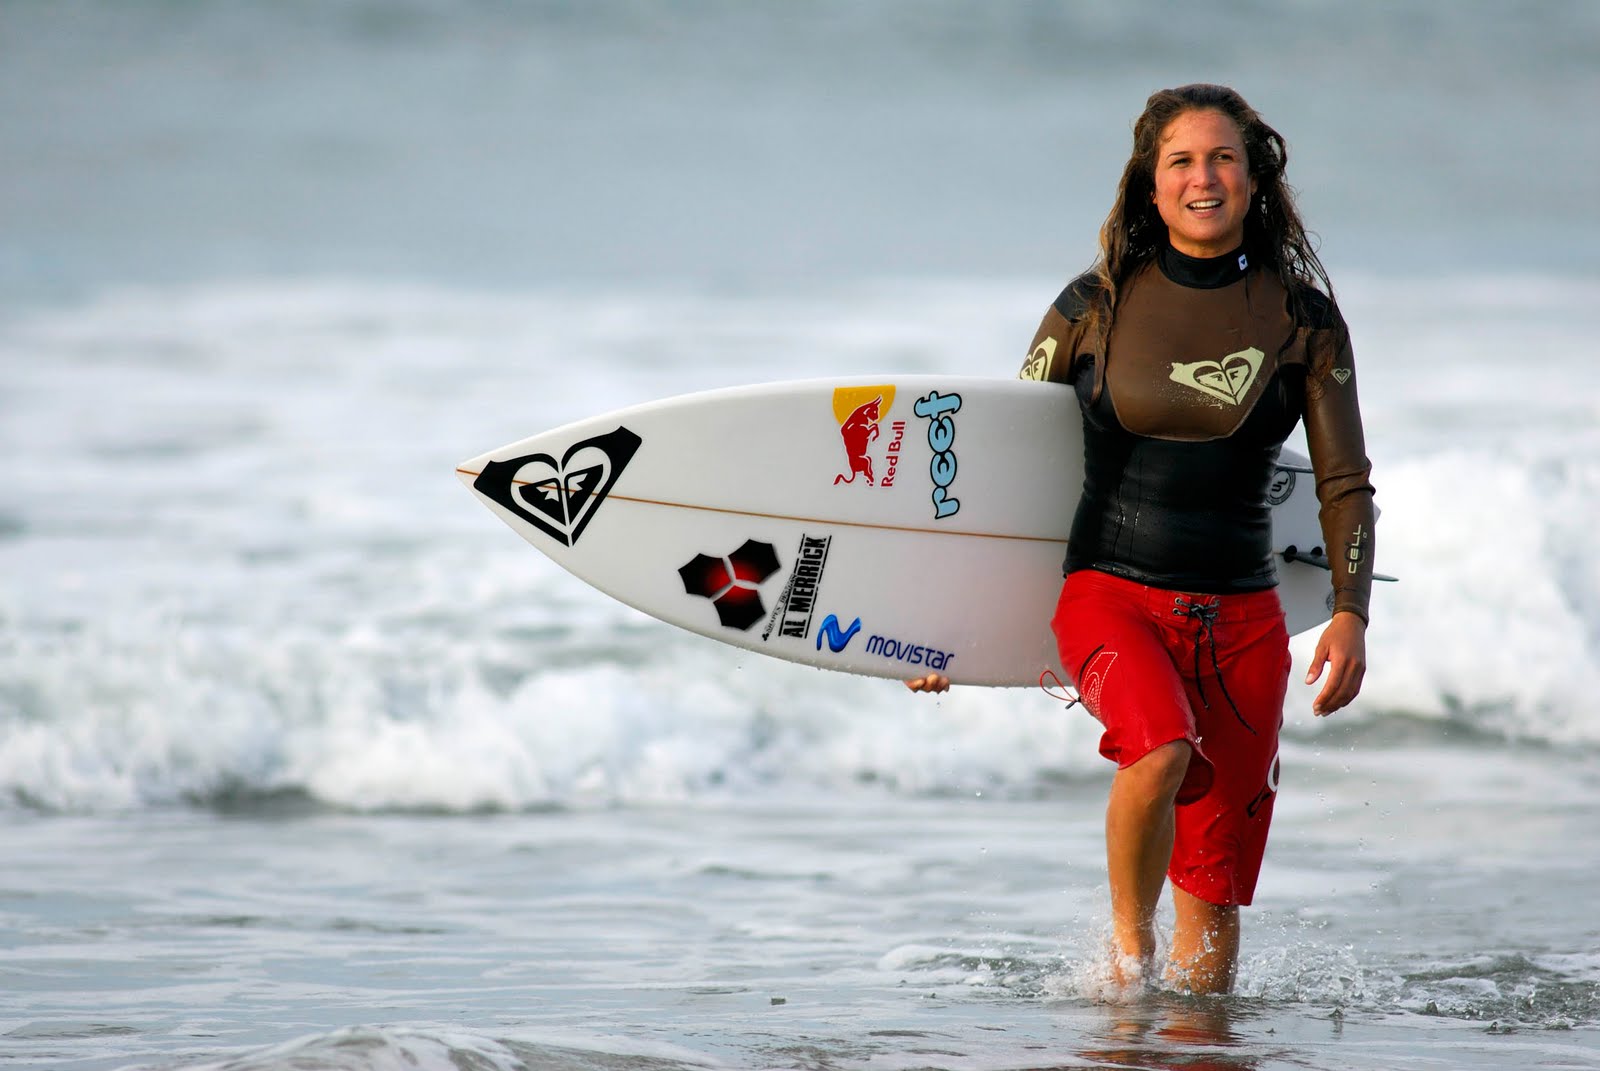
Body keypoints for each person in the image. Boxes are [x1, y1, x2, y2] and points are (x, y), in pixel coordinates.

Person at [906, 84, 1376, 996]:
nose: (1205, 177)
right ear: (1150, 186)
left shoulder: (1305, 321)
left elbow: (1343, 480)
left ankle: (1187, 1040)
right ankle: (1128, 962)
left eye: (1224, 158)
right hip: (1112, 592)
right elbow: (1009, 472)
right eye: (1182, 161)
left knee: (1214, 901)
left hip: (1243, 624)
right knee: (1160, 749)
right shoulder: (1094, 305)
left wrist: (1350, 612)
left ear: (1255, 179)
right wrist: (942, 624)